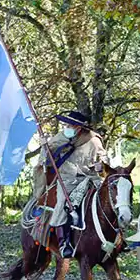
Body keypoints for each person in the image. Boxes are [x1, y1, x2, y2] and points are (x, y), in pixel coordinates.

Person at [37, 110, 107, 257]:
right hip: (67, 180)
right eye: (67, 124)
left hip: (90, 178)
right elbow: (46, 158)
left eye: (70, 125)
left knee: (110, 199)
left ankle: (116, 236)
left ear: (78, 127)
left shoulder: (94, 140)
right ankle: (64, 243)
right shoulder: (61, 137)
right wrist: (45, 147)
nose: (67, 127)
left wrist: (100, 166)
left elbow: (103, 160)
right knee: (62, 205)